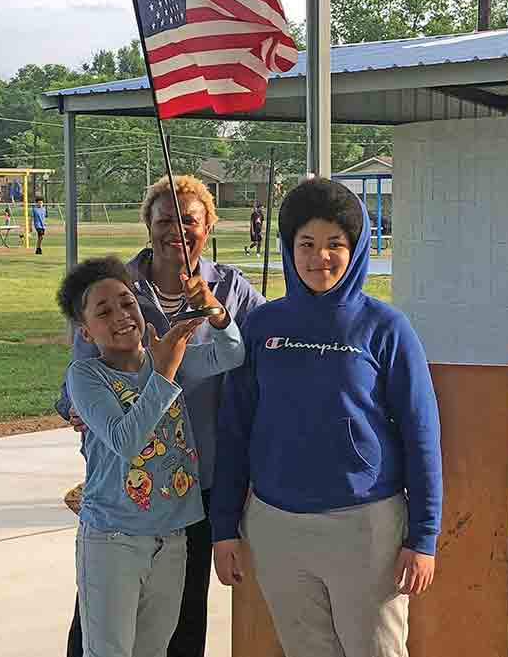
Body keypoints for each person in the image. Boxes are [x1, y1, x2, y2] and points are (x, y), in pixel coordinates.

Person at [211, 179, 443, 657]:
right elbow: (234, 430)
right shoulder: (262, 326)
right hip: (278, 528)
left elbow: (422, 436)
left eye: (335, 244)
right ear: (289, 248)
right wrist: (225, 527)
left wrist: (423, 537)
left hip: (365, 527)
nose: (321, 258)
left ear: (354, 249)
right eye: (307, 244)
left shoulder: (387, 328)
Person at [57, 175, 265, 657]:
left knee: (180, 622)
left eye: (188, 219)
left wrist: (215, 313)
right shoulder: (118, 288)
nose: (176, 229)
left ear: (208, 225)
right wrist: (88, 412)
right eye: (164, 219)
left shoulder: (231, 287)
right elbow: (84, 384)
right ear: (147, 226)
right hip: (121, 505)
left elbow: (246, 350)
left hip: (193, 486)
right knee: (100, 632)